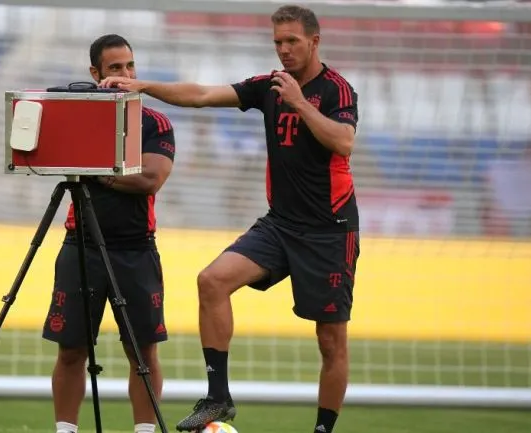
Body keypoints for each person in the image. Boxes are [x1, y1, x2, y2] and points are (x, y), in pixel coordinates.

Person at [99, 5, 359, 433]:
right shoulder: (267, 86)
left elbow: (344, 142)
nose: (284, 50)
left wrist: (298, 102)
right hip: (280, 225)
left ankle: (322, 430)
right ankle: (218, 398)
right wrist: (142, 84)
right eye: (277, 42)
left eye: (292, 41)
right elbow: (201, 95)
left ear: (314, 41)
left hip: (329, 231)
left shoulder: (336, 90)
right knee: (212, 280)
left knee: (331, 341)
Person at [42, 34, 176, 433]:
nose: (125, 75)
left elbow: (150, 179)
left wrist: (99, 169)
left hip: (136, 250)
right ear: (95, 74)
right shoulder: (75, 117)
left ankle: (144, 430)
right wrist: (116, 172)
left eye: (130, 66)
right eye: (115, 68)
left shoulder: (154, 122)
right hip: (80, 247)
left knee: (143, 353)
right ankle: (65, 430)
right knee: (71, 351)